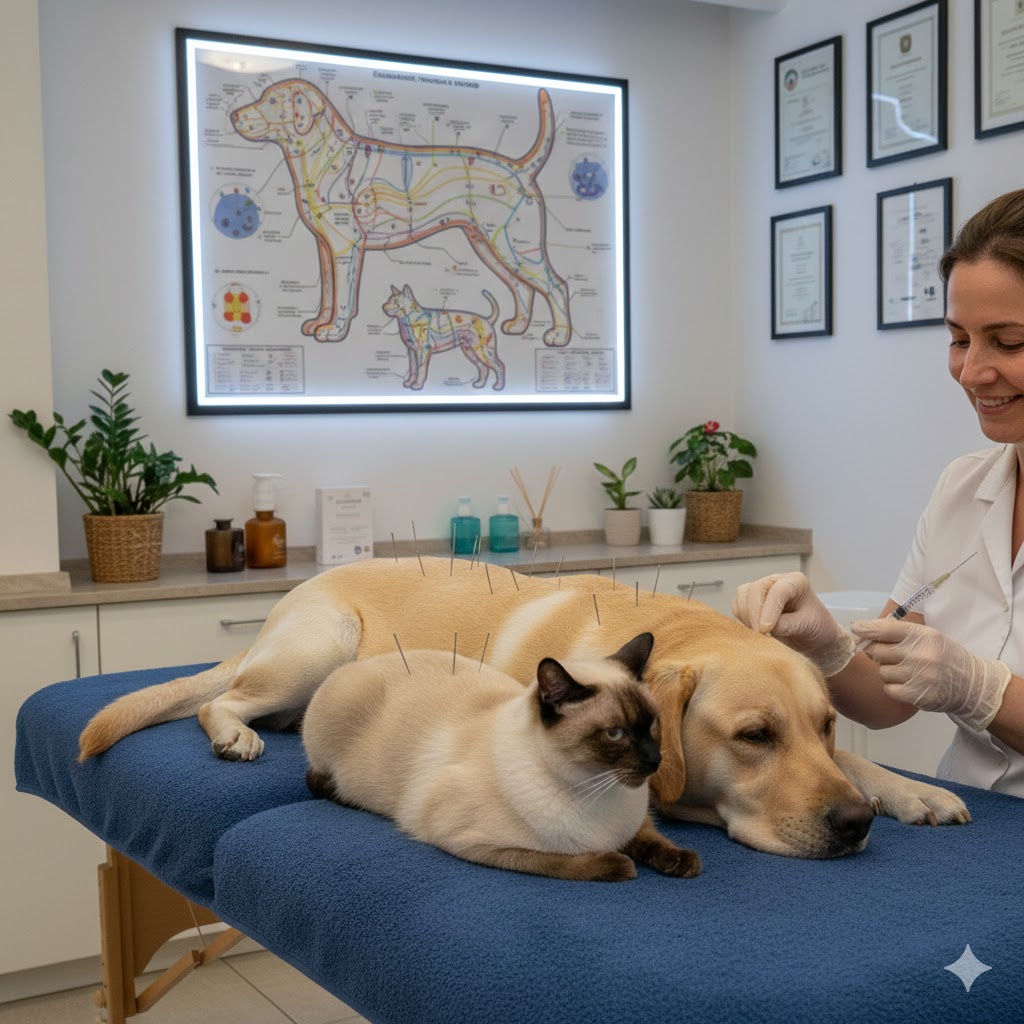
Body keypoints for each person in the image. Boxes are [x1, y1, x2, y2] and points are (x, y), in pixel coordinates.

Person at [733, 188, 1024, 796]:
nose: (972, 372)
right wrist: (826, 644)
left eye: (1009, 342)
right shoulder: (962, 488)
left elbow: (964, 686)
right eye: (959, 339)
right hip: (971, 815)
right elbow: (889, 701)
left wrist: (981, 690)